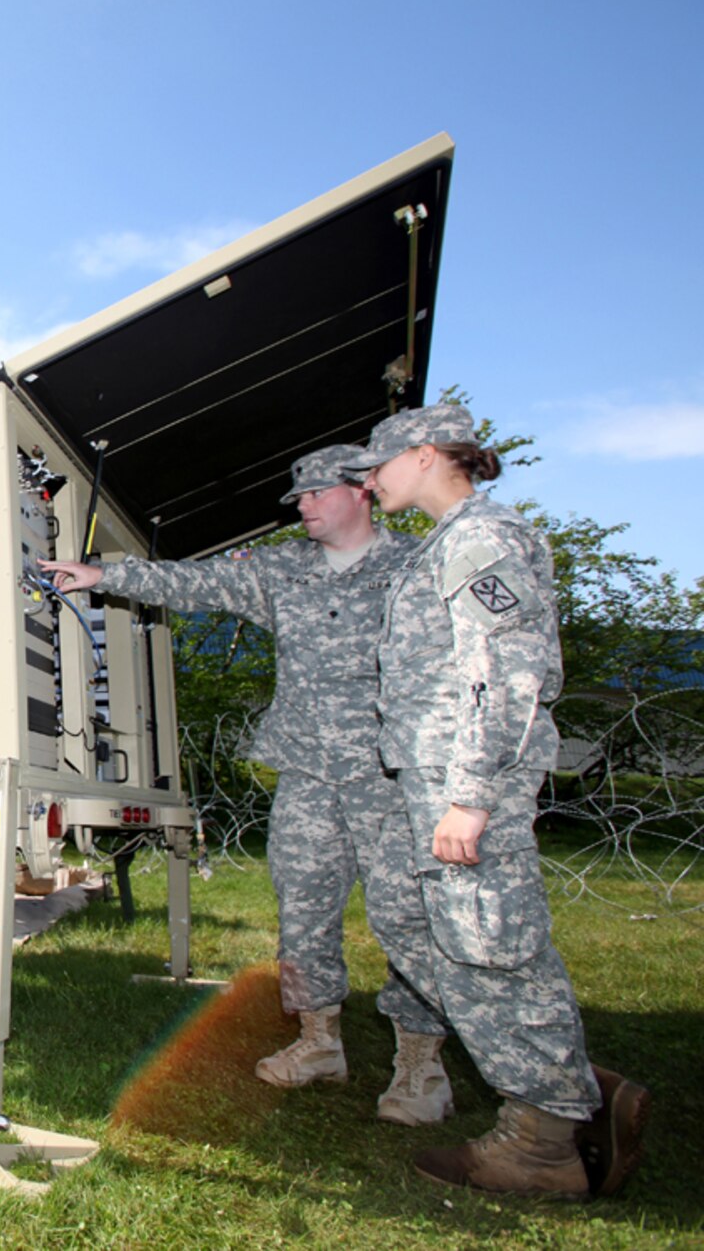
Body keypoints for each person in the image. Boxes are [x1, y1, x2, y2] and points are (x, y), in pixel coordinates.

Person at [36, 445, 455, 1123]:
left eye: (317, 494)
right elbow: (191, 584)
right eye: (299, 498)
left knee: (406, 919)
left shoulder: (416, 568)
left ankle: (420, 1065)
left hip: (392, 777)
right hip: (310, 776)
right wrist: (100, 573)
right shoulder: (285, 569)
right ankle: (320, 1041)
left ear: (362, 492)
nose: (304, 507)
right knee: (304, 913)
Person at [346, 403, 648, 1197]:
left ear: (423, 454)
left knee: (491, 946)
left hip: (463, 782)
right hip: (432, 779)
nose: (370, 482)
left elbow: (507, 672)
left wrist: (471, 796)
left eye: (378, 464)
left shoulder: (481, 538)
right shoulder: (447, 543)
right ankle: (569, 1082)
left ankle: (543, 1142)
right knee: (449, 943)